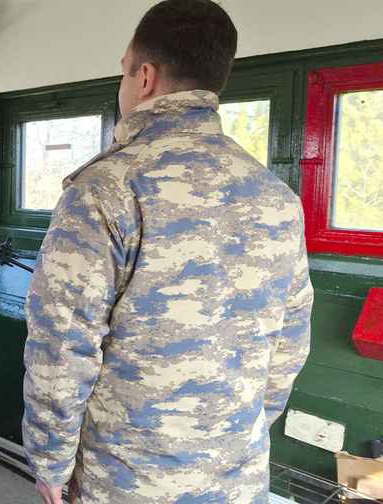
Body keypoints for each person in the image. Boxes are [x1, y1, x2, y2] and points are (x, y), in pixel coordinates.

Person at [21, 1, 314, 503]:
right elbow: (290, 343)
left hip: (130, 479)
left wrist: (50, 459)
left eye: (124, 71)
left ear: (145, 78)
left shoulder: (107, 187)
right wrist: (235, 434)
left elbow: (63, 343)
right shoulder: (276, 196)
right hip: (238, 477)